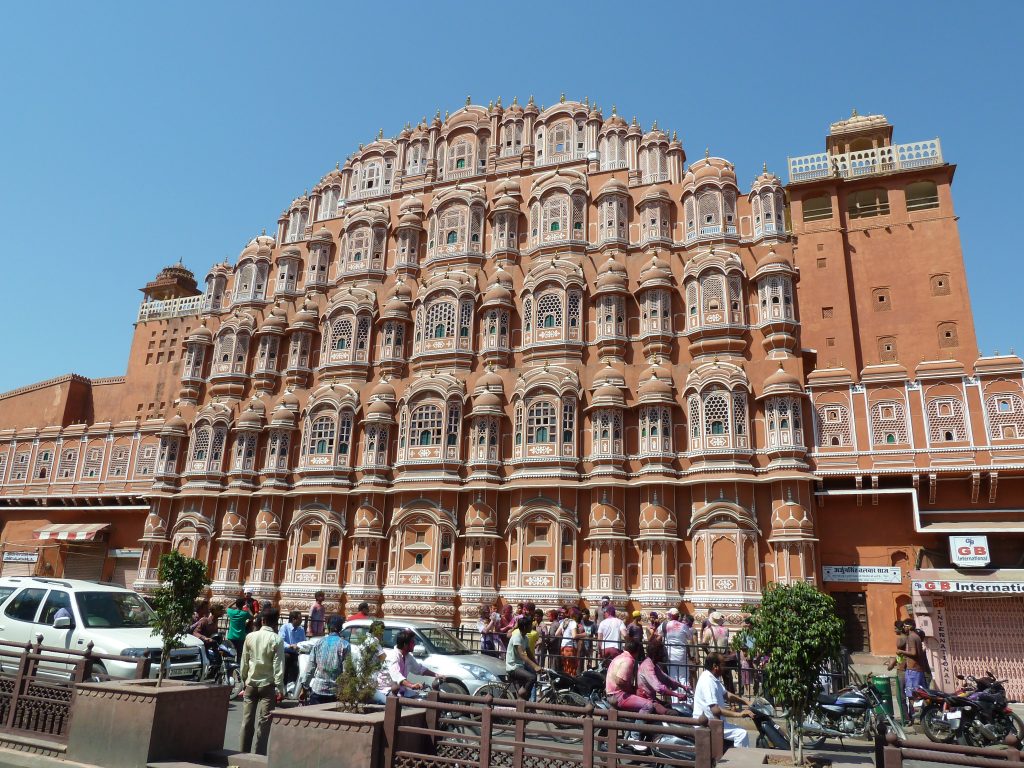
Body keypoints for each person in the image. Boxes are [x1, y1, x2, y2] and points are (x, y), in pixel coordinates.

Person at [239, 606, 284, 755]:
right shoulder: (277, 639)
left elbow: (244, 661)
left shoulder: (250, 636)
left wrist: (243, 680)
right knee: (264, 725)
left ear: (262, 620)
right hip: (268, 685)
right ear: (275, 623)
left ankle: (242, 755)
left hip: (251, 683)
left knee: (246, 722)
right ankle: (258, 756)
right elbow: (278, 666)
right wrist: (280, 687)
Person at [693, 652, 753, 748]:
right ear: (715, 666)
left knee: (739, 730)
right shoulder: (707, 681)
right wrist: (739, 714)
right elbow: (715, 710)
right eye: (723, 665)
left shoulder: (713, 679)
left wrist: (746, 702)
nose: (725, 668)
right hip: (708, 724)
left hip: (715, 721)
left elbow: (727, 695)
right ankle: (738, 762)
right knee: (741, 734)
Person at [298, 615, 350, 705]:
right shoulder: (345, 645)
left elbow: (310, 667)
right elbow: (346, 671)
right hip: (335, 692)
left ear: (327, 626)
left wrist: (304, 688)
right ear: (341, 628)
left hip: (318, 690)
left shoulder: (319, 643)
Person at [639, 636, 691, 714]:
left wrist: (683, 687)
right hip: (646, 701)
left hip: (652, 699)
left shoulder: (654, 665)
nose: (664, 654)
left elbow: (666, 678)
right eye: (661, 652)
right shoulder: (648, 666)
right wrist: (677, 695)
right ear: (655, 654)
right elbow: (659, 688)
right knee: (673, 714)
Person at [381, 629, 437, 699]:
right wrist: (411, 685)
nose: (414, 644)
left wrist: (436, 675)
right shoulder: (393, 656)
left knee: (424, 698)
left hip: (402, 691)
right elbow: (397, 676)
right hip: (388, 693)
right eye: (412, 642)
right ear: (405, 645)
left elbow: (418, 669)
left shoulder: (407, 656)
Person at [605, 638, 655, 714]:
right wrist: (633, 691)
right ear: (637, 651)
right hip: (617, 695)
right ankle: (637, 726)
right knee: (648, 705)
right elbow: (620, 681)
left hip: (613, 694)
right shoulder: (628, 660)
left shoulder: (620, 657)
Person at [506, 615, 543, 699]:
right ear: (525, 627)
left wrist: (537, 665)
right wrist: (534, 666)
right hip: (513, 667)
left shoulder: (525, 638)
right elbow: (522, 654)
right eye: (530, 625)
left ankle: (525, 701)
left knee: (532, 678)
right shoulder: (516, 637)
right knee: (532, 677)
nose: (532, 627)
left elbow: (529, 654)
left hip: (520, 666)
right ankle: (521, 694)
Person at [902, 619, 927, 724]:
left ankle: (917, 717)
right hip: (917, 670)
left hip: (913, 671)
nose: (904, 628)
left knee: (912, 694)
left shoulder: (912, 637)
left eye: (905, 626)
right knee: (918, 694)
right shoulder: (916, 637)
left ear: (910, 626)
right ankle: (921, 715)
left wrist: (901, 652)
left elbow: (914, 653)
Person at [279, 610, 306, 691]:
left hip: (297, 652)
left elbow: (303, 641)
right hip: (287, 651)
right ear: (294, 619)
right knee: (287, 659)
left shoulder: (301, 629)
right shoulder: (285, 627)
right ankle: (284, 683)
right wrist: (290, 646)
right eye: (300, 619)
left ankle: (294, 684)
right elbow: (281, 641)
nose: (301, 620)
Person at [559, 606, 586, 676]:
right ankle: (570, 683)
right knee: (572, 668)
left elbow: (556, 634)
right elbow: (574, 636)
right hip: (570, 647)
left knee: (566, 667)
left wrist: (565, 636)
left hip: (563, 647)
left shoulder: (564, 622)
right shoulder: (573, 623)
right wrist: (584, 634)